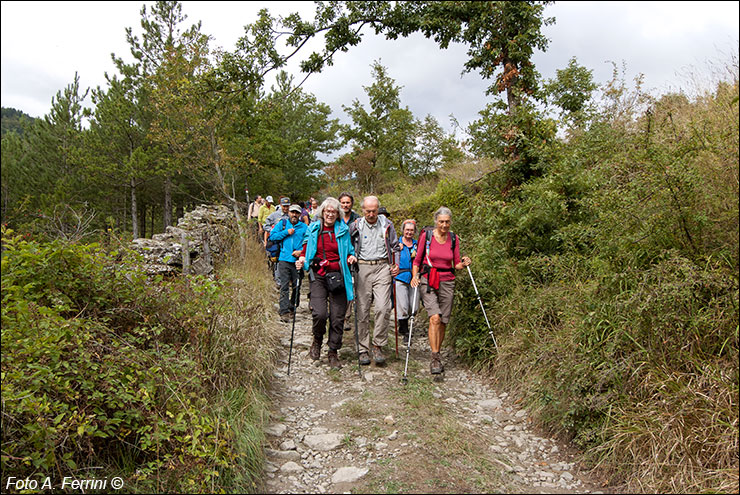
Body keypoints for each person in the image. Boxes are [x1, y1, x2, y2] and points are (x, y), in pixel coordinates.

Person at [296, 198, 357, 370]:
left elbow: (349, 250)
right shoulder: (314, 228)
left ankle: (333, 351)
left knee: (338, 317)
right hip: (319, 275)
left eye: (334, 211)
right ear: (322, 212)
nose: (330, 214)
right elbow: (306, 245)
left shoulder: (343, 230)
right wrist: (302, 258)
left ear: (338, 214)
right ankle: (317, 340)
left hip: (338, 274)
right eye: (327, 211)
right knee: (320, 313)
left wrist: (351, 257)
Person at [411, 207, 471, 375]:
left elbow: (456, 263)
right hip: (428, 280)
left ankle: (437, 351)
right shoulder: (427, 237)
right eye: (441, 222)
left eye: (447, 222)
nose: (444, 225)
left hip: (448, 281)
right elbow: (417, 260)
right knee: (435, 318)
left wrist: (464, 263)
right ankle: (435, 357)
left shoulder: (453, 238)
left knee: (444, 320)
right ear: (436, 221)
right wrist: (415, 277)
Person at [349, 196, 400, 366]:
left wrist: (396, 264)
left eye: (374, 210)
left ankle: (378, 345)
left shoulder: (387, 224)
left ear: (378, 209)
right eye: (368, 211)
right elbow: (349, 246)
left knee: (383, 307)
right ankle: (363, 348)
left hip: (383, 267)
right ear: (362, 210)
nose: (371, 214)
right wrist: (350, 258)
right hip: (362, 268)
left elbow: (395, 246)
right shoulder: (356, 226)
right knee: (362, 310)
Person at [269, 204, 309, 322]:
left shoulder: (304, 227)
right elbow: (273, 237)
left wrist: (301, 252)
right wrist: (286, 232)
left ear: (300, 214)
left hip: (298, 261)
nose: (294, 215)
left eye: (297, 213)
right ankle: (284, 311)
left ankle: (293, 307)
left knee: (297, 286)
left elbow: (309, 242)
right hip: (284, 259)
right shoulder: (282, 224)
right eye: (292, 212)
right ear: (289, 213)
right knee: (284, 286)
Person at [394, 219, 420, 345]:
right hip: (400, 276)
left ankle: (406, 324)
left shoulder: (418, 244)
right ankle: (404, 331)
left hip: (414, 277)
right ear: (403, 230)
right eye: (407, 230)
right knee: (402, 306)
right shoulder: (396, 243)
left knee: (414, 306)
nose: (409, 232)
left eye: (411, 230)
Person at [338, 192, 361, 332]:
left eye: (348, 203)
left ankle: (346, 317)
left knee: (350, 287)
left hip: (353, 257)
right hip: (338, 256)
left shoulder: (358, 219)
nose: (345, 205)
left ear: (351, 204)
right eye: (343, 203)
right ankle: (336, 314)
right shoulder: (335, 217)